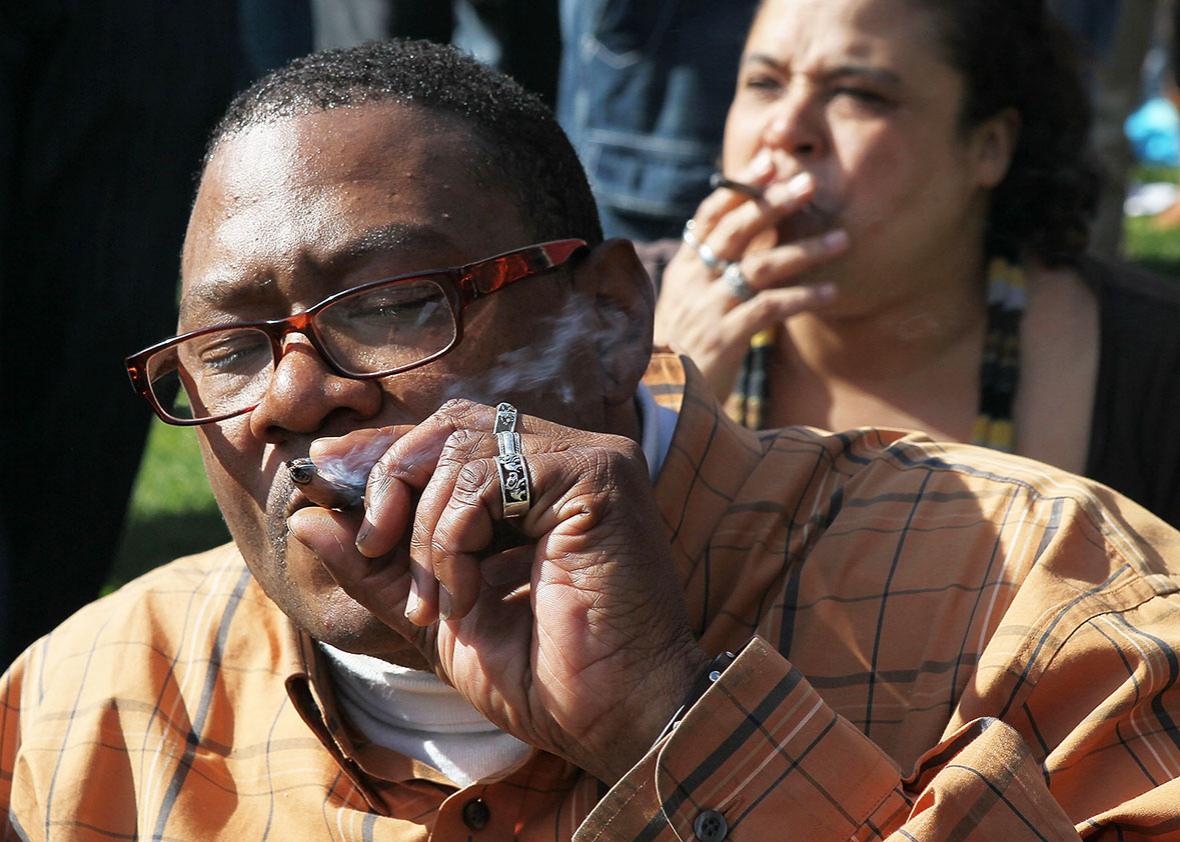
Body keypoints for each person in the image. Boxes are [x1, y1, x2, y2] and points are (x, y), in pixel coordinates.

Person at [2, 38, 1179, 841]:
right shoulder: (87, 707)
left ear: (613, 315)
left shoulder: (1042, 599)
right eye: (232, 348)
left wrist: (667, 719)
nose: (293, 397)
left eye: (393, 303)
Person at [652, 0, 1180, 528]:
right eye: (764, 82)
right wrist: (656, 414)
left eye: (858, 95)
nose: (786, 129)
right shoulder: (608, 316)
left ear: (989, 146)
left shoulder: (1150, 367)